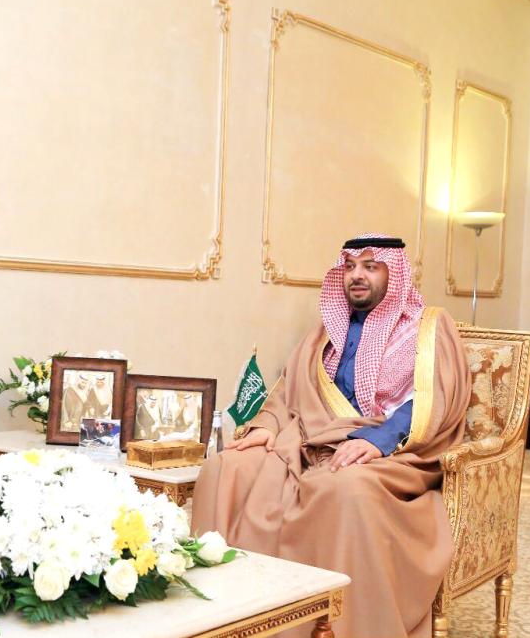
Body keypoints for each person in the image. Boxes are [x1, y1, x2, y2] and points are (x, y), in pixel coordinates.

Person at [192, 233, 470, 638]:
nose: (357, 275)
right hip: (309, 439)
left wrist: (377, 441)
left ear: (394, 273)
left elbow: (436, 399)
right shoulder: (327, 332)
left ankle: (330, 625)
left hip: (394, 452)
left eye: (370, 267)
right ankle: (225, 616)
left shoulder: (429, 328)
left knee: (343, 489)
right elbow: (289, 388)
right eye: (350, 266)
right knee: (225, 468)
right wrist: (267, 426)